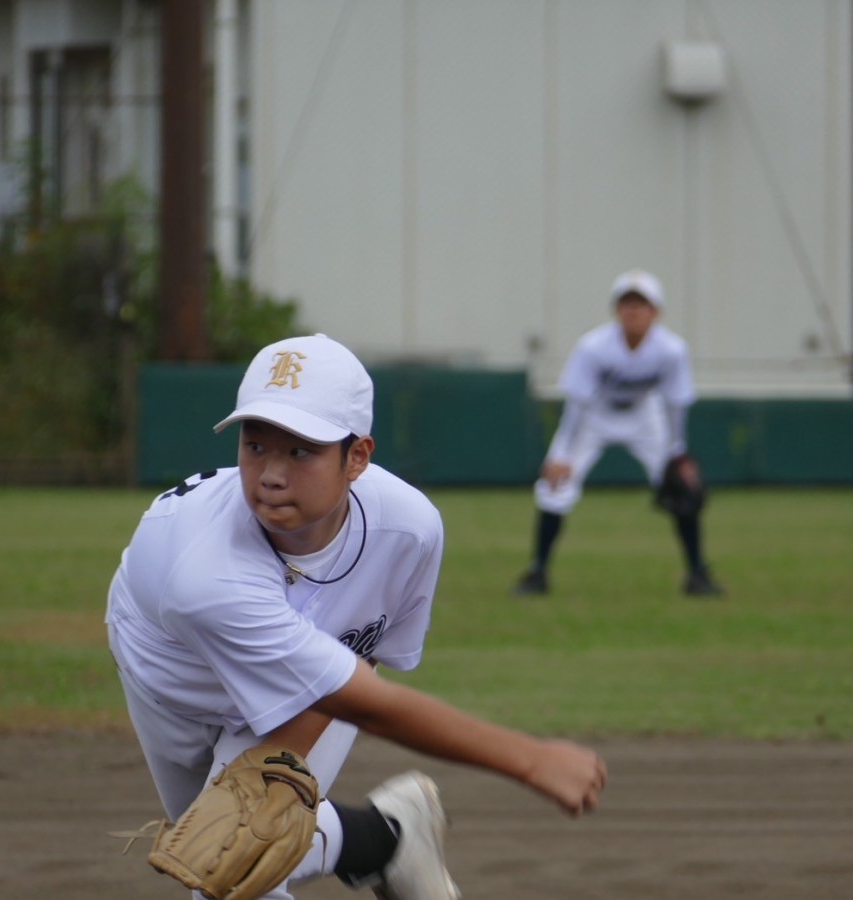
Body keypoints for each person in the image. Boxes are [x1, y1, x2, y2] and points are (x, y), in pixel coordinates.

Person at [106, 333, 607, 900]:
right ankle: (388, 837)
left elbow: (361, 655)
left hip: (306, 676)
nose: (270, 474)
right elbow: (370, 704)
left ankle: (376, 839)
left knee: (236, 874)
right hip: (170, 675)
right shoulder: (207, 576)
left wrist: (275, 776)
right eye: (255, 445)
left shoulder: (407, 530)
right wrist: (531, 760)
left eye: (299, 450)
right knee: (227, 849)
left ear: (357, 458)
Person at [514, 269, 724, 598]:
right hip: (594, 415)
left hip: (645, 416)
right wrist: (561, 454)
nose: (633, 311)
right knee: (554, 488)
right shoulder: (593, 347)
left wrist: (678, 452)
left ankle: (697, 574)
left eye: (641, 304)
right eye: (626, 303)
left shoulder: (671, 350)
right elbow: (577, 404)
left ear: (656, 312)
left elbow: (676, 404)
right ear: (616, 310)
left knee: (683, 488)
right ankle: (538, 573)